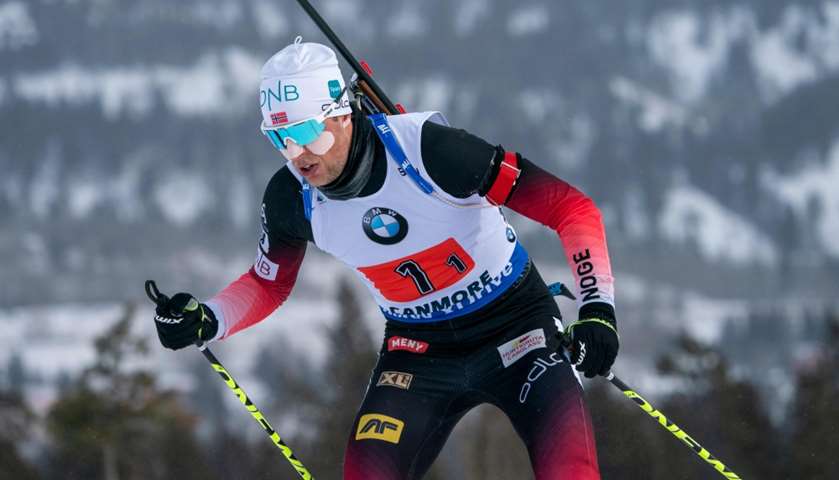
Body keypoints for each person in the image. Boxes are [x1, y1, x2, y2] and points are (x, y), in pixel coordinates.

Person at [148, 37, 618, 479]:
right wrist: (208, 318)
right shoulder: (292, 198)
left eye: (306, 132)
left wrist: (598, 311)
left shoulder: (432, 151)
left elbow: (569, 207)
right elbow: (268, 283)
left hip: (518, 329)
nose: (296, 155)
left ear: (343, 116)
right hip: (418, 353)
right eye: (279, 139)